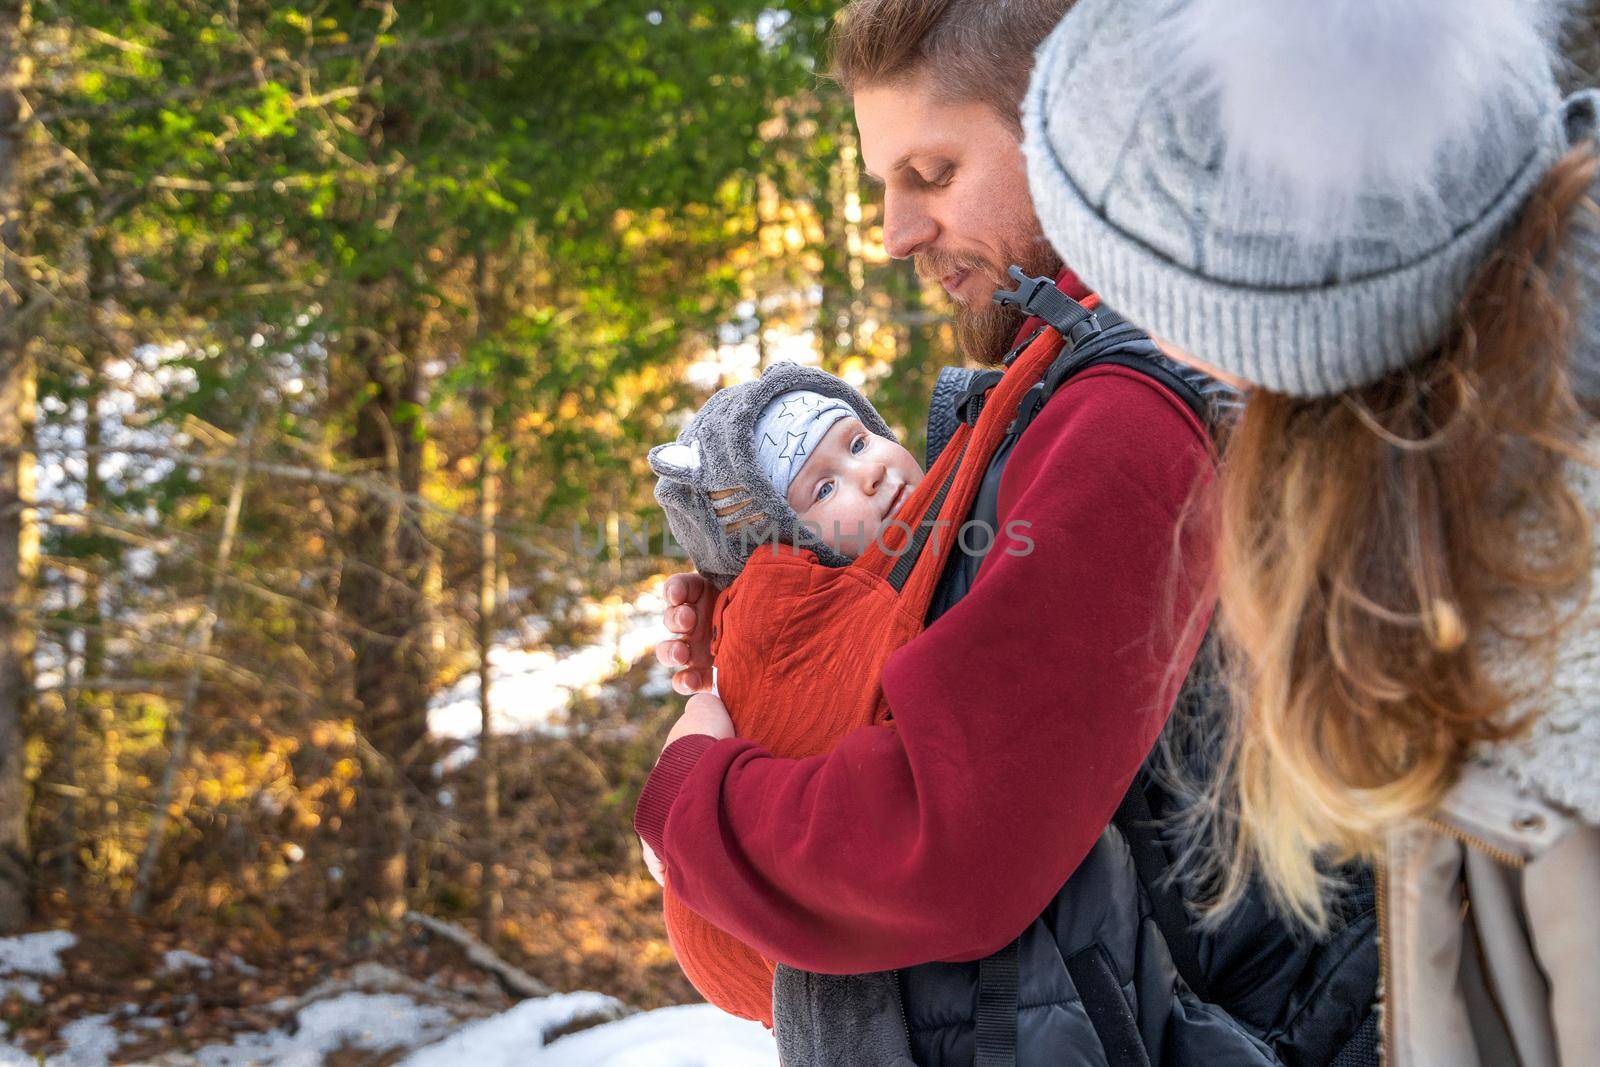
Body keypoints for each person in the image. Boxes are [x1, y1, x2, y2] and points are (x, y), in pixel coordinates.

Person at [642, 1, 1377, 1062]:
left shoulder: (1123, 409)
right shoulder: (1053, 381)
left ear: (1081, 135)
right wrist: (758, 624)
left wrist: (689, 797)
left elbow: (945, 836)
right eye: (884, 186)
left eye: (932, 174)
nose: (895, 234)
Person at [1021, 0, 1600, 1063]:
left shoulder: (1543, 701)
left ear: (1280, 327)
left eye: (1150, 298)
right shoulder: (1484, 525)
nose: (1141, 335)